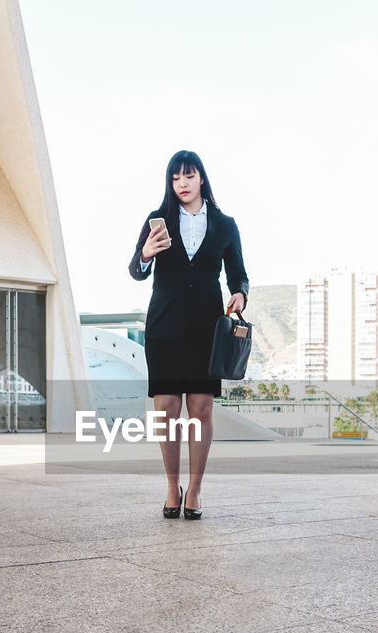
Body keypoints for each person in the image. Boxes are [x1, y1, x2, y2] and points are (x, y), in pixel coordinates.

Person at [129, 150, 249, 520]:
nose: (182, 183)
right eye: (175, 177)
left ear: (201, 179)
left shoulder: (225, 224)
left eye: (188, 175)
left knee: (199, 409)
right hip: (164, 324)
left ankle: (194, 489)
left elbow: (239, 275)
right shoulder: (157, 221)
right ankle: (171, 487)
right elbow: (136, 270)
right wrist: (146, 253)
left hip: (206, 327)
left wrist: (240, 293)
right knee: (166, 409)